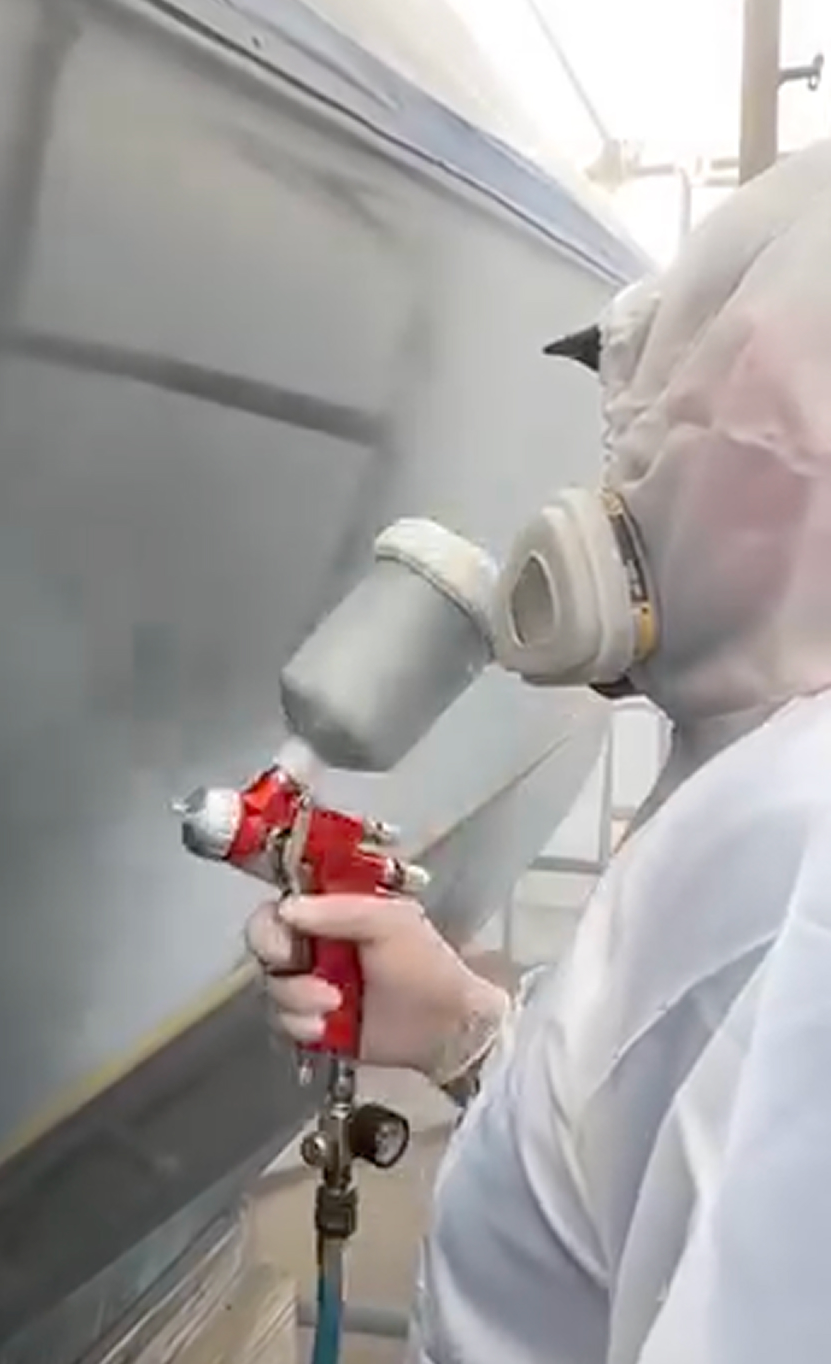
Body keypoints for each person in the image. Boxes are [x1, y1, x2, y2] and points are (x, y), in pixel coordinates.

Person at [247, 136, 831, 1364]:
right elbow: (658, 1179)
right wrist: (471, 1036)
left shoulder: (792, 871)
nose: (602, 487)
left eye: (646, 425)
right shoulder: (759, 796)